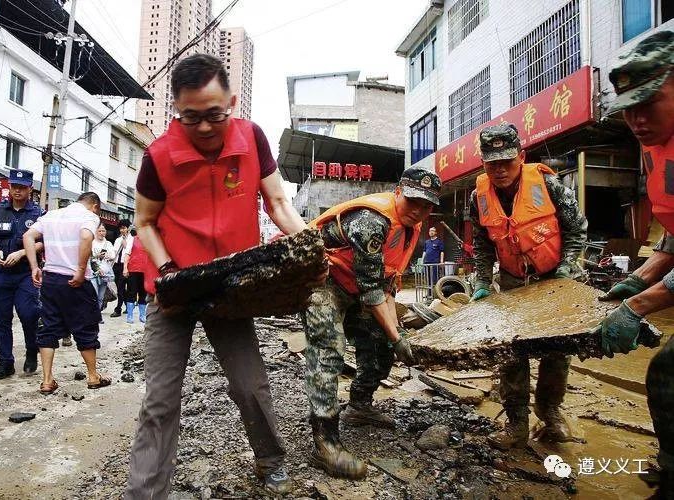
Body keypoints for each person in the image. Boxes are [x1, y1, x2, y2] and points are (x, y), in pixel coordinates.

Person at [125, 53, 311, 498]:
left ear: (231, 101)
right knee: (160, 399)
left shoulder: (252, 139)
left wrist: (309, 244)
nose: (205, 128)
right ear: (177, 109)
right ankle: (145, 493)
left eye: (214, 115)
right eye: (191, 118)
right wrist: (167, 269)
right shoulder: (159, 155)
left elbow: (279, 203)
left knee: (249, 382)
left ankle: (271, 460)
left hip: (229, 286)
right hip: (173, 289)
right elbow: (144, 222)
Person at [304, 167, 438, 479]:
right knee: (329, 350)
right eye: (413, 201)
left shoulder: (408, 229)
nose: (418, 210)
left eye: (426, 205)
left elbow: (387, 288)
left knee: (380, 348)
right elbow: (372, 290)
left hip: (361, 290)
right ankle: (324, 442)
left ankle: (360, 406)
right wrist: (397, 337)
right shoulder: (372, 221)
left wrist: (395, 336)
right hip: (326, 281)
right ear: (398, 193)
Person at [469, 123, 587, 450]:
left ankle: (549, 411)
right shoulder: (478, 196)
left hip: (553, 279)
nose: (500, 170)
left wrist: (567, 269)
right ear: (483, 162)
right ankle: (517, 424)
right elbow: (481, 243)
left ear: (521, 156)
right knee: (511, 353)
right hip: (511, 281)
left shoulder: (549, 184)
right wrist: (481, 280)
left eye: (506, 161)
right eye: (492, 163)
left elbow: (577, 232)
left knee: (557, 350)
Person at [596, 30, 674, 496]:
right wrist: (641, 275)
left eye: (648, 102)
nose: (636, 118)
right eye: (628, 106)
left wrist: (641, 305)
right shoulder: (655, 146)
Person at [23, 192, 112, 394]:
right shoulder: (88, 216)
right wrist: (81, 270)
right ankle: (92, 376)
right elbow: (86, 236)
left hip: (50, 279)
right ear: (95, 206)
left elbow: (27, 236)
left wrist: (34, 267)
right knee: (86, 326)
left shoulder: (52, 215)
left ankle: (47, 380)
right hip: (75, 281)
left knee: (48, 326)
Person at [0, 169, 43, 380]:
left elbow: (43, 242)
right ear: (10, 187)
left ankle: (31, 350)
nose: (17, 191)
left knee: (29, 314)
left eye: (22, 187)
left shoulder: (37, 214)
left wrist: (21, 252)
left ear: (29, 188)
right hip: (1, 273)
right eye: (14, 186)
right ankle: (6, 363)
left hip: (26, 273)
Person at [122, 230, 148, 324]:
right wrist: (125, 268)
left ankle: (142, 315)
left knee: (143, 293)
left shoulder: (149, 240)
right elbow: (127, 254)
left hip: (145, 271)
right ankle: (130, 315)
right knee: (131, 292)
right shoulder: (132, 240)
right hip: (133, 270)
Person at [91, 223, 115, 319]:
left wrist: (106, 256)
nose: (101, 232)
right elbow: (89, 257)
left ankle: (97, 315)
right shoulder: (92, 242)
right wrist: (97, 256)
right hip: (93, 272)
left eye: (103, 230)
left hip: (105, 273)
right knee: (94, 294)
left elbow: (113, 256)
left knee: (101, 296)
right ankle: (92, 315)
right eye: (100, 230)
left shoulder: (108, 244)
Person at [110, 219, 132, 318]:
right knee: (121, 288)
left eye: (124, 228)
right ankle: (127, 306)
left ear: (128, 228)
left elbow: (131, 252)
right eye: (121, 228)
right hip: (117, 265)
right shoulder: (118, 240)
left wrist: (126, 245)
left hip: (126, 265)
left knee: (120, 288)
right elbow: (114, 253)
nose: (122, 230)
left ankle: (118, 309)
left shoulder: (132, 239)